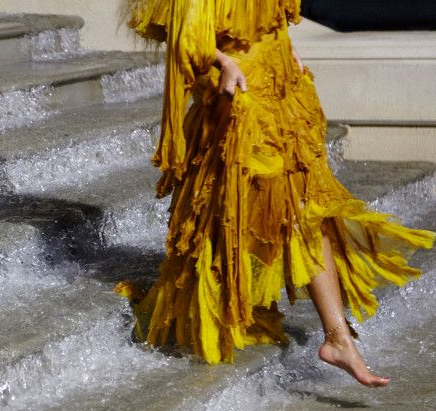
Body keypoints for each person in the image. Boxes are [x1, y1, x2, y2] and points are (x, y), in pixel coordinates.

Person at [113, 0, 436, 387]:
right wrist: (223, 63)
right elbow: (185, 33)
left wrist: (289, 49)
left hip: (282, 87)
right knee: (257, 212)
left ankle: (338, 337)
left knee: (307, 209)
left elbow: (268, 15)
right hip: (242, 98)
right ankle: (225, 312)